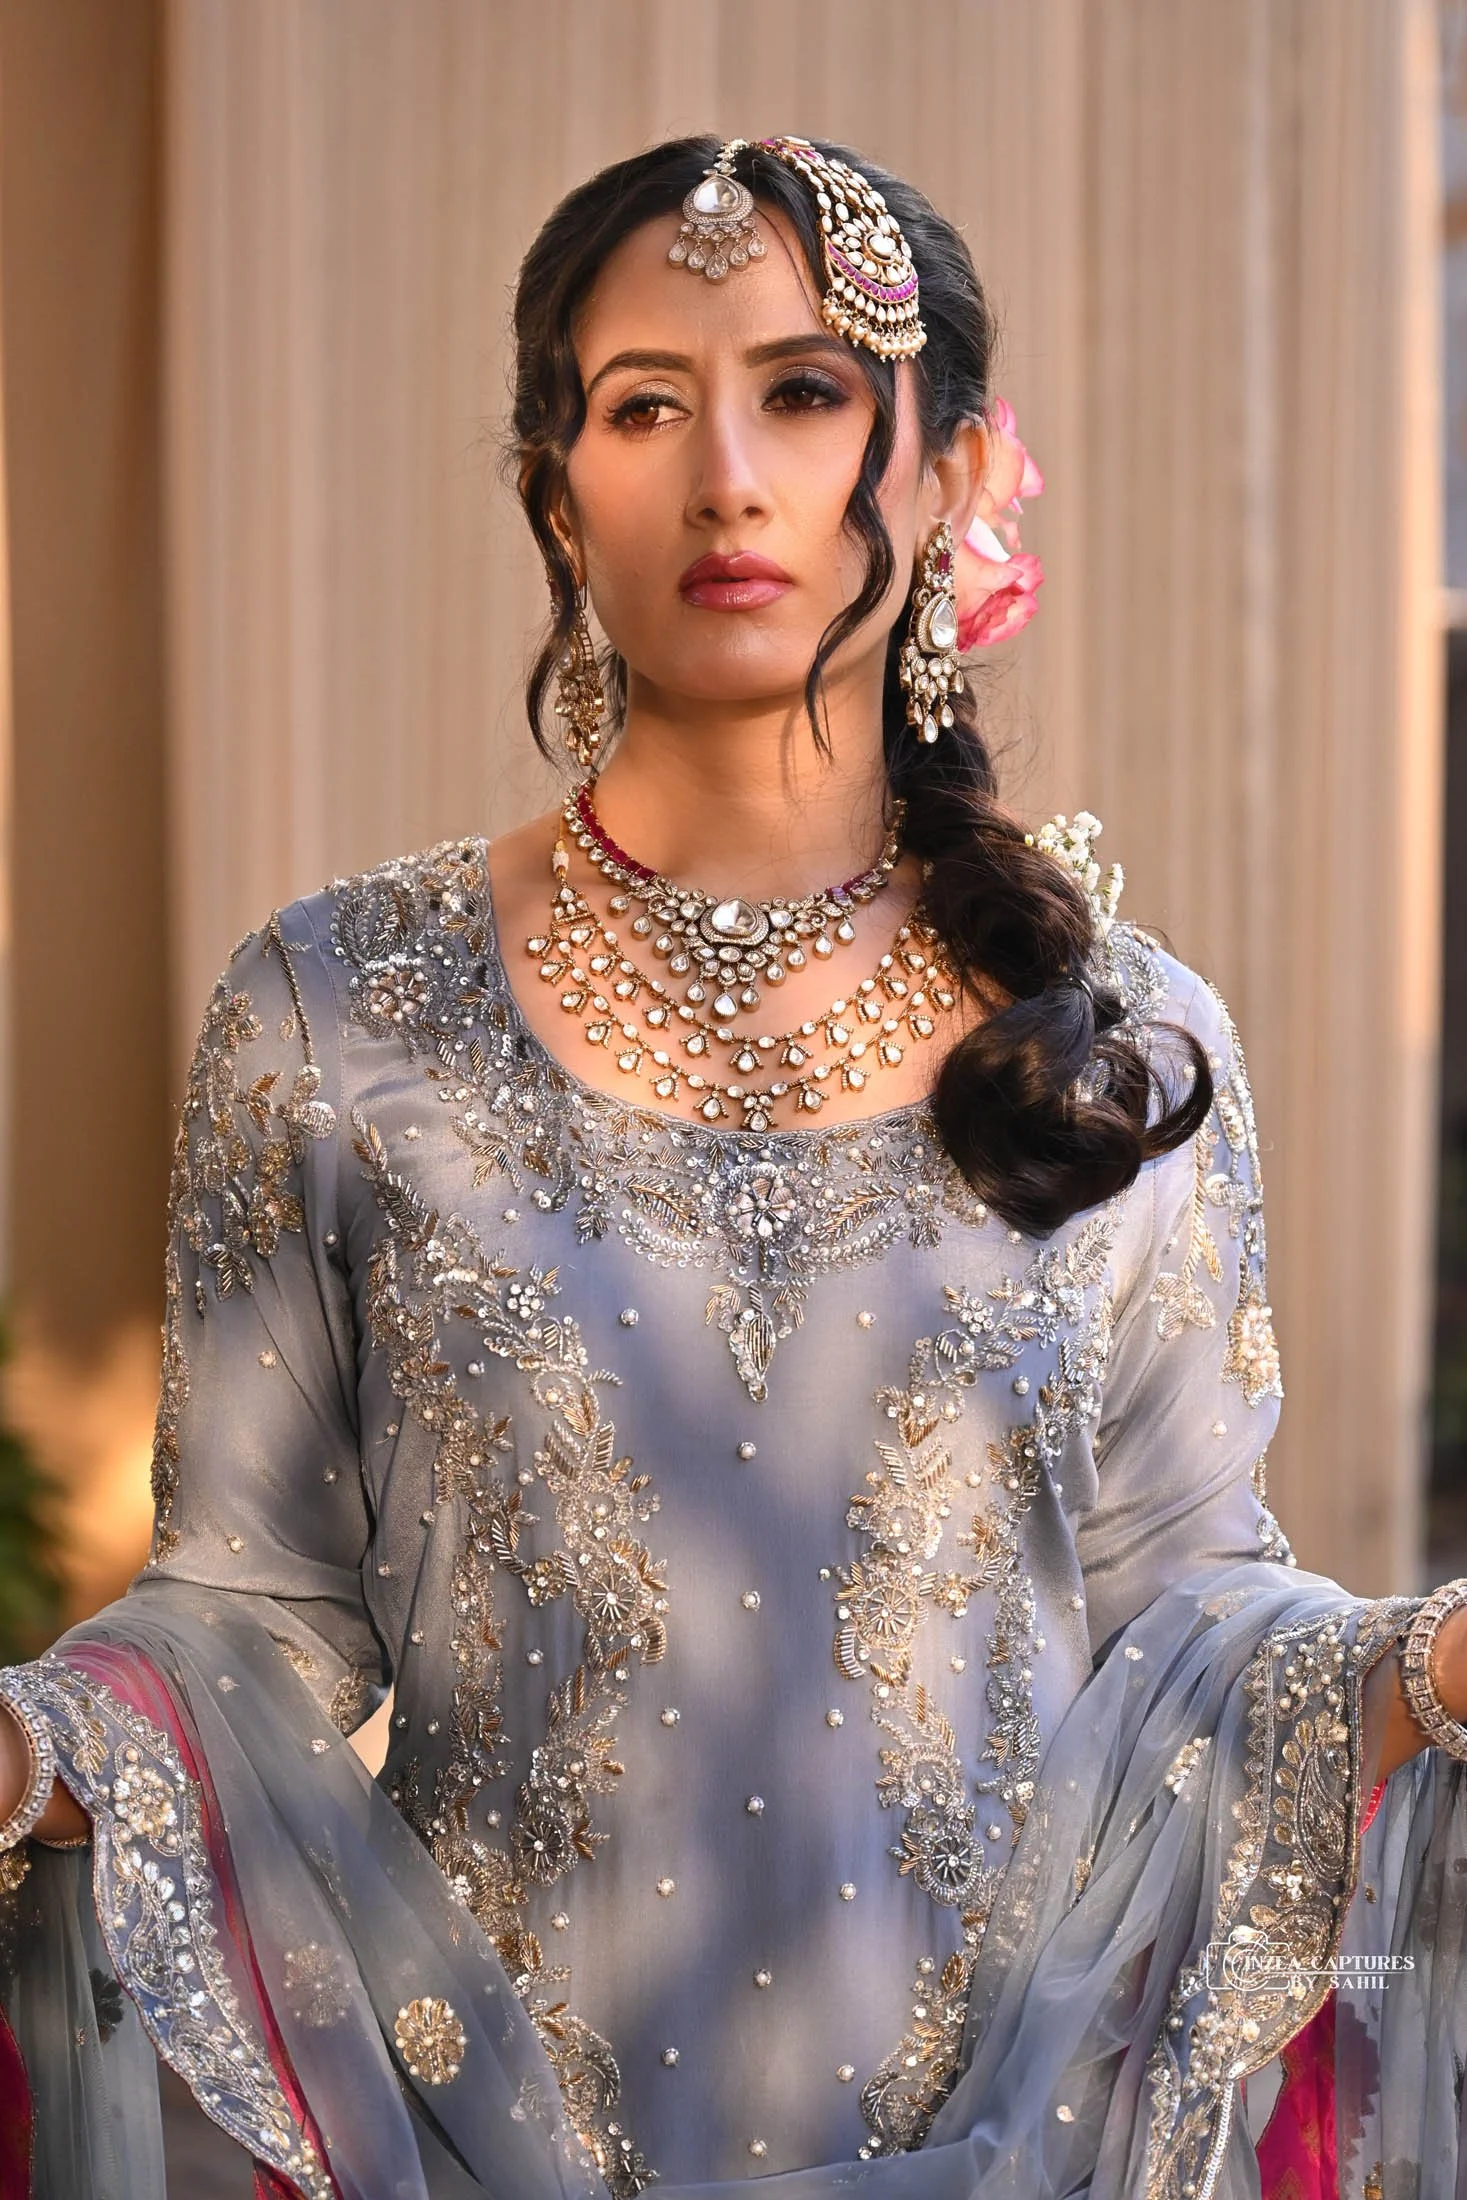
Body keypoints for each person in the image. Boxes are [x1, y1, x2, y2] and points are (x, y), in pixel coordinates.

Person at [0, 131, 1460, 2200]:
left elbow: (1188, 1625)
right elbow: (254, 1608)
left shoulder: (1111, 1043)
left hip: (1005, 2149)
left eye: (804, 391)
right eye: (642, 405)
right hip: (480, 2142)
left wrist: (1427, 1665)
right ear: (549, 488)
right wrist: (45, 1748)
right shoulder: (331, 1012)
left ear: (954, 470)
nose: (726, 477)